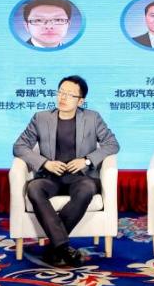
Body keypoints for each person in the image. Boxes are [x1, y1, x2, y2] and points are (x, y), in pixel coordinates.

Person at [12, 76, 119, 266]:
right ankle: (62, 247)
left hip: (80, 177)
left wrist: (86, 161)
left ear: (80, 101)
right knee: (34, 189)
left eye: (69, 95)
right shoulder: (41, 118)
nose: (63, 97)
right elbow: (19, 146)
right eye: (61, 92)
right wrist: (45, 163)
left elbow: (112, 144)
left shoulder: (92, 118)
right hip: (50, 177)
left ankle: (54, 248)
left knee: (87, 189)